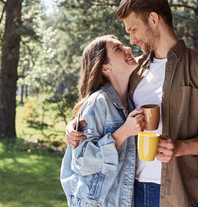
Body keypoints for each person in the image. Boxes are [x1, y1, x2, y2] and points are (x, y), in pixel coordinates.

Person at [66, 0, 198, 207]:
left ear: (153, 19)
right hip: (130, 190)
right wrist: (75, 127)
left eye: (133, 30)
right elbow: (103, 101)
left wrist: (180, 147)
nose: (131, 40)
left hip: (179, 194)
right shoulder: (134, 70)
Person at [60, 35, 145, 207]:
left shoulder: (130, 101)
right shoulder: (98, 102)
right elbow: (83, 162)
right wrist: (123, 133)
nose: (128, 48)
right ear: (105, 67)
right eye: (118, 49)